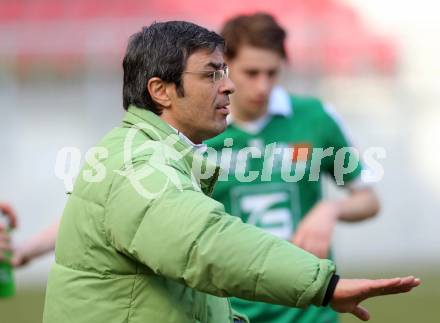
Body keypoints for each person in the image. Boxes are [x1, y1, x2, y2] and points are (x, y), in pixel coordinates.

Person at [41, 21, 419, 323]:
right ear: (161, 91)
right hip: (281, 285)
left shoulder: (168, 152)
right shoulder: (140, 164)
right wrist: (324, 285)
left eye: (225, 71)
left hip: (296, 308)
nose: (232, 86)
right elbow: (205, 244)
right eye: (212, 74)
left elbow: (175, 256)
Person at [205, 13, 381, 323]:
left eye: (272, 73)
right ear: (225, 69)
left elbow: (368, 200)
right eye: (252, 72)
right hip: (231, 312)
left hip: (310, 312)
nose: (263, 85)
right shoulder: (202, 131)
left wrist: (331, 210)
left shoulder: (315, 118)